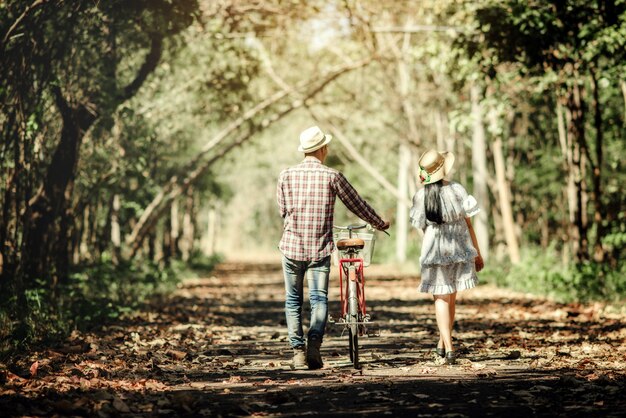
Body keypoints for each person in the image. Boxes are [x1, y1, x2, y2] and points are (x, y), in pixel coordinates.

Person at [277, 125, 390, 370]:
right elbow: (356, 204)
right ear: (322, 149)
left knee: (293, 300)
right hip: (319, 248)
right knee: (319, 299)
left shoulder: (285, 175)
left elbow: (282, 211)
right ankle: (314, 347)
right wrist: (379, 223)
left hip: (291, 247)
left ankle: (298, 353)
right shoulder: (332, 176)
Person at [409, 149, 484, 365]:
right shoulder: (457, 189)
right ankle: (448, 347)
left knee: (441, 297)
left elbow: (420, 227)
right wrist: (476, 252)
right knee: (451, 297)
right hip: (459, 247)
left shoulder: (421, 195)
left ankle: (444, 345)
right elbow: (469, 223)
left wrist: (432, 240)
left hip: (434, 249)